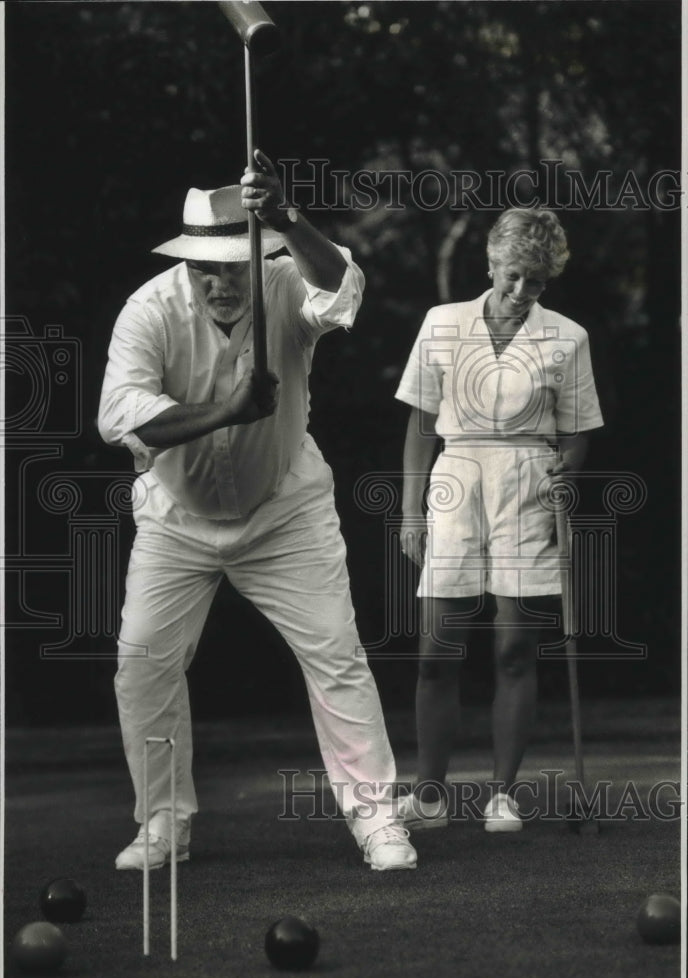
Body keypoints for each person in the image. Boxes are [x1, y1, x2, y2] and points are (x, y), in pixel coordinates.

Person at [97, 149, 417, 873]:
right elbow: (120, 419)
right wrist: (227, 411)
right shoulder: (148, 311)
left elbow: (344, 289)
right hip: (177, 519)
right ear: (184, 264)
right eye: (205, 267)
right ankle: (162, 826)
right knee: (141, 663)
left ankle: (378, 822)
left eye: (234, 264)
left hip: (284, 511)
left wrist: (287, 219)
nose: (221, 280)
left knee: (336, 656)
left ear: (256, 255)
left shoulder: (283, 275)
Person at [393, 207, 604, 833]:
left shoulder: (568, 337)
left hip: (528, 484)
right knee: (437, 651)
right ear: (489, 264)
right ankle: (429, 796)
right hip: (455, 480)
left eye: (534, 282)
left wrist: (566, 470)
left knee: (514, 649)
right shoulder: (441, 323)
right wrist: (409, 513)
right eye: (512, 275)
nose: (520, 292)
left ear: (549, 281)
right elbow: (421, 424)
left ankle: (501, 795)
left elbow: (578, 430)